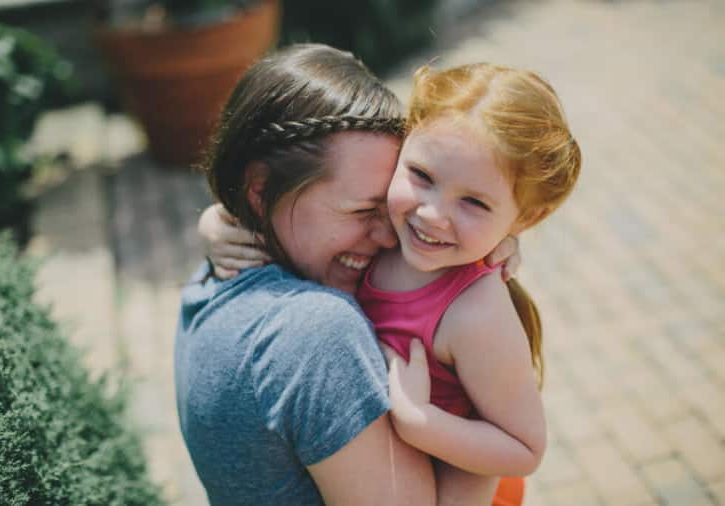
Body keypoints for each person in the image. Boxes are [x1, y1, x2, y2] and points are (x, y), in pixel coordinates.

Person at [201, 62, 582, 505]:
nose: (432, 214)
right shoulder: (387, 237)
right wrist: (213, 224)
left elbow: (524, 449)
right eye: (422, 176)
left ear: (526, 217)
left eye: (474, 202)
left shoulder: (476, 314)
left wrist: (420, 422)